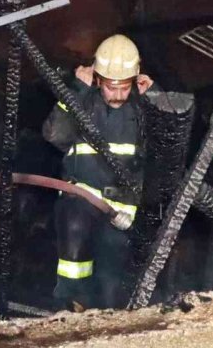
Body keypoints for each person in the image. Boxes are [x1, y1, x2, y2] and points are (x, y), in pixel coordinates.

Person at [42, 34, 156, 309]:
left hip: (123, 210)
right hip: (81, 198)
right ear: (97, 79)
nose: (117, 94)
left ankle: (109, 319)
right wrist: (76, 91)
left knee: (112, 276)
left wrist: (152, 98)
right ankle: (69, 304)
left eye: (124, 87)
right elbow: (55, 135)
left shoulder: (142, 110)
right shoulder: (84, 103)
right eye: (110, 87)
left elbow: (162, 152)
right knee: (75, 238)